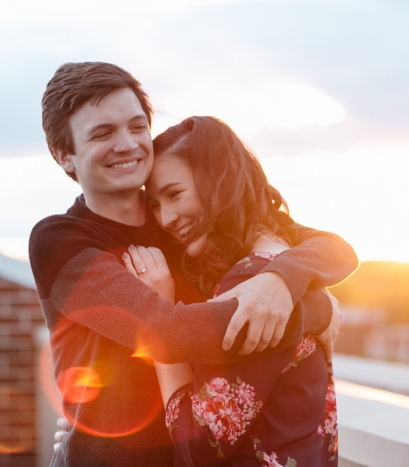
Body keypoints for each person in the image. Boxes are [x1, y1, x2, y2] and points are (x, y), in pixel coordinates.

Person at [30, 62, 357, 467]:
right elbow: (165, 332)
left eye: (136, 127)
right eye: (102, 133)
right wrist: (314, 310)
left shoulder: (182, 223)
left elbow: (334, 248)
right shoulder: (61, 241)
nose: (128, 144)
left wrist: (283, 276)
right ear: (65, 156)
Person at [123, 115, 339, 466]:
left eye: (175, 194)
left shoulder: (248, 284)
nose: (166, 219)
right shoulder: (279, 255)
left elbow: (199, 444)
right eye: (156, 206)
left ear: (220, 179)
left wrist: (157, 315)